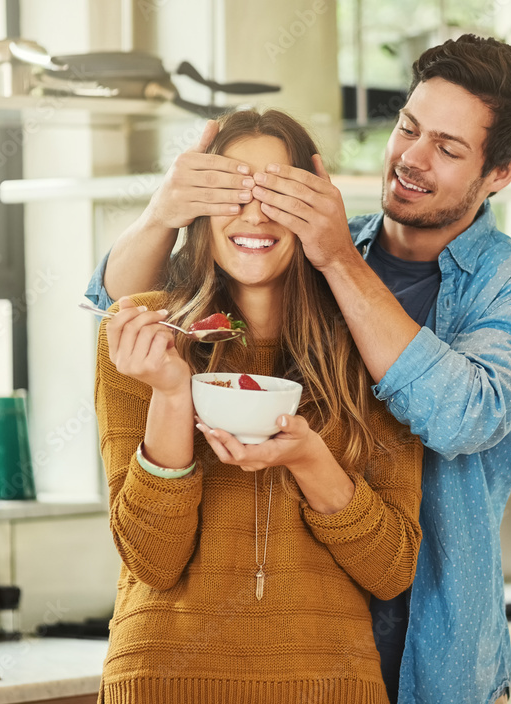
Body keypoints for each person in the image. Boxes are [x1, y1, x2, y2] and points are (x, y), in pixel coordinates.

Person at [87, 35, 511, 704]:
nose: (412, 159)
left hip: (434, 657)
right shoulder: (308, 254)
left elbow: (459, 418)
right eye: (408, 128)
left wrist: (339, 259)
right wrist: (165, 213)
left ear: (502, 172)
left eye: (449, 149)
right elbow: (123, 308)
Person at [94, 108, 423, 704]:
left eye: (278, 192)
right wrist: (171, 394)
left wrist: (310, 461)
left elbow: (392, 568)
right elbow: (152, 561)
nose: (253, 213)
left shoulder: (373, 343)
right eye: (231, 189)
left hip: (330, 686)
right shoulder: (144, 331)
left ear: (315, 208)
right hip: (163, 681)